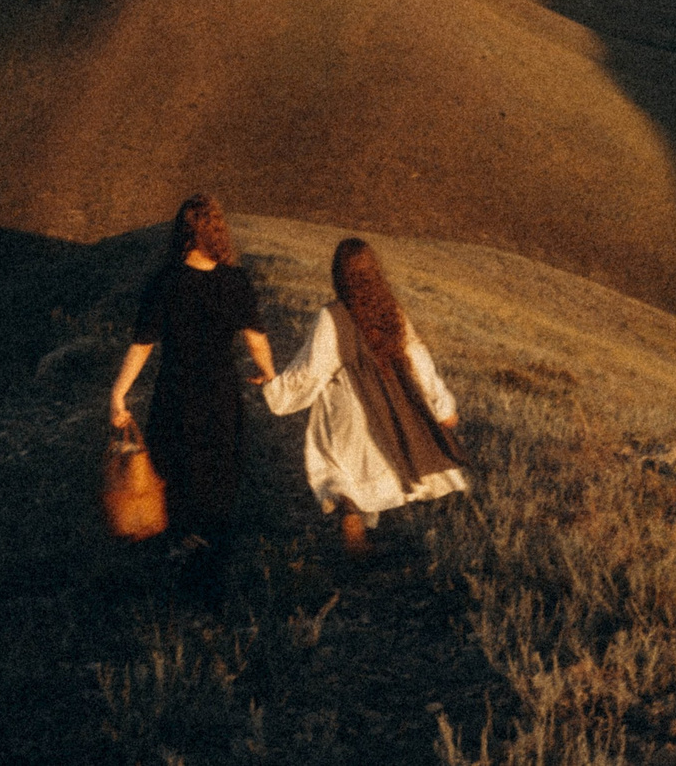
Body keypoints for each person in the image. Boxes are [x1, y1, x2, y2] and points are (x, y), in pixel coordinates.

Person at [109, 194, 275, 600]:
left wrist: (119, 393)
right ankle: (211, 564)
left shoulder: (164, 282)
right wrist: (269, 373)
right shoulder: (235, 281)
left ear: (181, 233)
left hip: (175, 395)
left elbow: (142, 346)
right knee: (218, 475)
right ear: (218, 232)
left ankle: (180, 559)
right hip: (221, 395)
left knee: (175, 472)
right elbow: (256, 340)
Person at [261, 237, 466, 555]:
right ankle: (361, 532)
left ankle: (351, 516)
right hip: (387, 408)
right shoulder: (391, 310)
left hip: (345, 406)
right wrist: (442, 405)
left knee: (333, 463)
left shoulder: (332, 316)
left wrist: (276, 387)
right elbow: (418, 359)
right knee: (375, 462)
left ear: (338, 276)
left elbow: (312, 370)